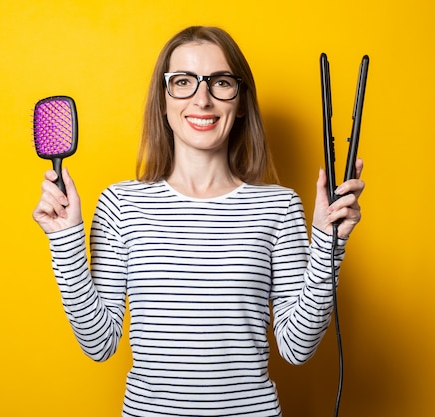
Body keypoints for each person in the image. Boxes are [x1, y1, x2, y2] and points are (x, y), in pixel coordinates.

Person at [33, 26, 364, 417]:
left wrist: (329, 243)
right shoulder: (122, 205)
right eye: (184, 82)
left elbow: (297, 348)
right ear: (163, 98)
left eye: (220, 82)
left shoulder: (278, 207)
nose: (202, 99)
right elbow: (100, 343)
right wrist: (64, 239)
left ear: (240, 101)